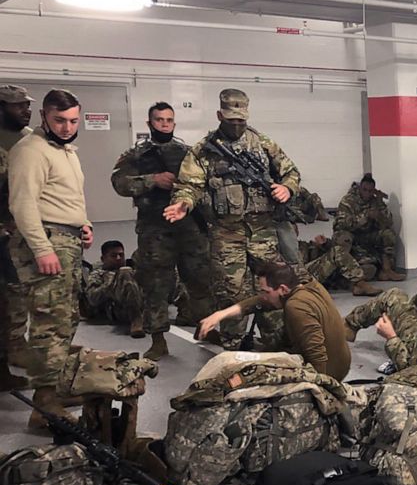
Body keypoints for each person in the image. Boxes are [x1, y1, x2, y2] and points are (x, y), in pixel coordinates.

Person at [164, 89, 300, 350]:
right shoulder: (203, 151)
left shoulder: (262, 143)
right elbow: (189, 185)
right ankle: (233, 347)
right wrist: (184, 203)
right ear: (219, 115)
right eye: (231, 121)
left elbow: (291, 172)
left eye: (241, 121)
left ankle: (277, 344)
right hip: (227, 234)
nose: (236, 126)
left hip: (263, 232)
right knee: (231, 292)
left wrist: (287, 188)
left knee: (273, 290)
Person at [7, 89, 94, 425]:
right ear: (44, 116)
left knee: (66, 317)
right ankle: (44, 407)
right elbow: (23, 204)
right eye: (59, 120)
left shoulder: (67, 151)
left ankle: (54, 387)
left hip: (66, 239)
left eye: (73, 120)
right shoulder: (31, 151)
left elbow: (66, 197)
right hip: (46, 241)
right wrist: (43, 249)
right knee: (49, 323)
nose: (67, 126)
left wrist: (83, 225)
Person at [111, 101, 212, 360]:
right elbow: (119, 183)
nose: (164, 125)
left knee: (200, 280)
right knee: (155, 283)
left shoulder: (188, 153)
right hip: (154, 229)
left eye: (169, 120)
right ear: (149, 123)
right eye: (159, 120)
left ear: (174, 123)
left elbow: (204, 183)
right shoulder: (136, 155)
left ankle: (207, 327)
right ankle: (158, 339)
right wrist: (152, 180)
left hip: (189, 226)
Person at [197, 261, 351, 381]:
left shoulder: (296, 307)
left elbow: (317, 355)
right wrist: (220, 315)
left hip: (327, 371)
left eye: (266, 291)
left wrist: (320, 391)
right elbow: (260, 301)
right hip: (341, 364)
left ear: (283, 289)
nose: (263, 296)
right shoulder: (310, 286)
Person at [0, 84, 33, 374]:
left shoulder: (29, 140)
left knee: (16, 287)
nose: (26, 110)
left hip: (18, 229)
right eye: (17, 105)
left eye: (26, 104)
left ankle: (15, 345)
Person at [331, 173, 403, 284]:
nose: (367, 193)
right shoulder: (348, 201)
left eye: (370, 191)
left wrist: (380, 204)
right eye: (364, 190)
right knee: (343, 237)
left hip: (367, 237)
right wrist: (365, 217)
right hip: (351, 236)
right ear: (360, 188)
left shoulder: (374, 201)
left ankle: (387, 270)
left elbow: (388, 222)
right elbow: (341, 224)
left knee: (388, 234)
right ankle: (342, 271)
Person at [84, 240, 145, 337]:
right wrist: (109, 284)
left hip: (143, 306)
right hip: (116, 309)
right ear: (103, 258)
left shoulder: (132, 269)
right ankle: (136, 319)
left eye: (121, 255)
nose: (118, 258)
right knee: (125, 272)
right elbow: (92, 299)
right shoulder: (98, 274)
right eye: (113, 255)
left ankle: (139, 317)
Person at [303, 231, 382, 296]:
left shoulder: (302, 245)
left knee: (369, 268)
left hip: (321, 277)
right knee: (338, 252)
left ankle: (354, 285)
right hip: (302, 277)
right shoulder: (299, 248)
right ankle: (360, 284)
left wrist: (325, 243)